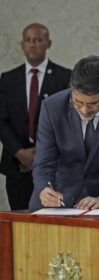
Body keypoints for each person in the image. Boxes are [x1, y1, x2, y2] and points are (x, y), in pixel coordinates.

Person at [29, 55, 99, 209]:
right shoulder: (52, 107)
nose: (84, 110)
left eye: (93, 104)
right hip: (57, 201)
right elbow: (44, 161)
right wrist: (45, 188)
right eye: (78, 102)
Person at [0, 23, 71, 210]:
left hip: (53, 168)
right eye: (28, 40)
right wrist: (21, 153)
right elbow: (1, 121)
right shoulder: (8, 79)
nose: (32, 44)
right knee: (20, 223)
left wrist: (39, 155)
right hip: (16, 166)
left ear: (49, 43)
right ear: (21, 44)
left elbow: (67, 122)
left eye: (38, 40)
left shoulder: (65, 77)